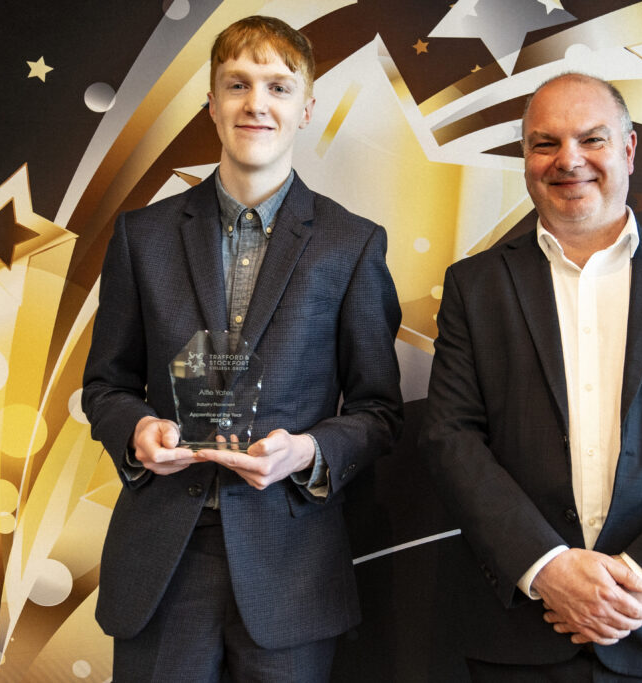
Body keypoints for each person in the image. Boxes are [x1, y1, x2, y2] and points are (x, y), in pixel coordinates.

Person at [420, 73, 642, 682]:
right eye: (545, 143)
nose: (569, 160)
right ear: (525, 157)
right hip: (523, 639)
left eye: (592, 139)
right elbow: (451, 439)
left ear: (629, 150)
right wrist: (547, 567)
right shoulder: (474, 286)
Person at [82, 16, 402, 682]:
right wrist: (137, 430)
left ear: (305, 108)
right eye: (238, 84)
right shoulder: (142, 236)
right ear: (211, 103)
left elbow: (378, 411)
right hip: (164, 560)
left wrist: (306, 452)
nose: (257, 103)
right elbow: (106, 386)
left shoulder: (352, 244)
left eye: (279, 87)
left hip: (292, 565)